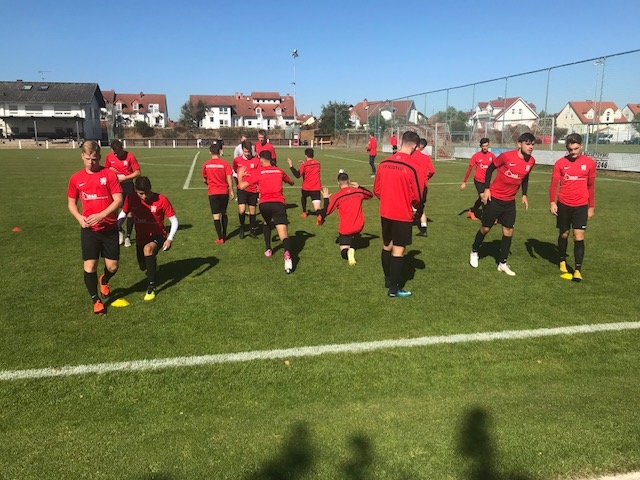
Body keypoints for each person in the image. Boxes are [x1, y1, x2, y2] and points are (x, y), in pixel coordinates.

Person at [67, 140, 123, 315]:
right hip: (89, 231)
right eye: (88, 159)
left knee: (112, 267)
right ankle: (96, 300)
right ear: (82, 156)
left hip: (109, 229)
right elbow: (71, 203)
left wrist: (101, 215)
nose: (91, 163)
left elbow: (118, 200)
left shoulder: (110, 175)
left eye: (95, 159)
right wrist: (79, 217)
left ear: (99, 157)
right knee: (90, 265)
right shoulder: (76, 178)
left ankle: (104, 279)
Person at [469, 132, 536, 276]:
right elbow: (490, 169)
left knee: (508, 231)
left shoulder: (531, 161)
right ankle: (474, 251)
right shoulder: (506, 156)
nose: (530, 147)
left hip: (509, 202)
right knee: (486, 228)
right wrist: (487, 189)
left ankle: (502, 263)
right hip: (495, 199)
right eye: (527, 144)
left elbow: (525, 177)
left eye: (532, 144)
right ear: (519, 144)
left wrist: (524, 194)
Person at [373, 131, 422, 297]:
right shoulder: (413, 166)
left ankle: (388, 279)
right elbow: (417, 196)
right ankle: (394, 289)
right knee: (399, 250)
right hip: (402, 213)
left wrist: (389, 199)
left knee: (387, 245)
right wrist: (415, 207)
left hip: (385, 211)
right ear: (414, 146)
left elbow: (377, 190)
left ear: (401, 142)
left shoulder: (384, 163)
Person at [118, 176, 178, 301]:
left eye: (147, 193)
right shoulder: (131, 198)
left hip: (158, 236)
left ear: (150, 188)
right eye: (141, 194)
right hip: (141, 237)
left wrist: (170, 238)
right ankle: (153, 264)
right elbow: (124, 213)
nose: (144, 196)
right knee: (143, 267)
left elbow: (174, 221)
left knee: (148, 249)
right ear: (135, 191)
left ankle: (151, 287)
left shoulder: (162, 199)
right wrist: (116, 225)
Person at [237, 150, 295, 274]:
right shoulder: (279, 171)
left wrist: (240, 175)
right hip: (279, 203)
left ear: (261, 159)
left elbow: (241, 186)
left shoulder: (258, 172)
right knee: (283, 234)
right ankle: (287, 256)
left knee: (266, 222)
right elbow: (291, 182)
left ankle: (268, 249)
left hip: (264, 205)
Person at [549, 133, 596, 282]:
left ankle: (577, 270)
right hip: (563, 204)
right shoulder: (560, 163)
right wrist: (552, 202)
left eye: (576, 149)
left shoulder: (589, 163)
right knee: (564, 234)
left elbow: (591, 187)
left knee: (578, 236)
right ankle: (562, 260)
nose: (573, 152)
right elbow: (554, 185)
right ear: (567, 148)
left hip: (581, 206)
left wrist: (591, 207)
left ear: (581, 146)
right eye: (570, 149)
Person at [320, 170, 373, 266]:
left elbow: (326, 211)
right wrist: (359, 187)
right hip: (359, 226)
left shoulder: (337, 196)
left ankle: (349, 251)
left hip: (347, 229)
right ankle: (354, 244)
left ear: (338, 183)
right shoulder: (358, 192)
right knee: (354, 235)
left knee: (343, 251)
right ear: (349, 181)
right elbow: (370, 195)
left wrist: (326, 198)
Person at [105, 139, 141, 247]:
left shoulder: (130, 157)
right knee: (113, 211)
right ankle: (120, 230)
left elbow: (138, 173)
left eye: (118, 152)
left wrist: (124, 178)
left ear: (122, 148)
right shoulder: (109, 157)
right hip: (114, 187)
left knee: (130, 212)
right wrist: (111, 172)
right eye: (114, 153)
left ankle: (128, 237)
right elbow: (105, 171)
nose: (116, 155)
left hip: (127, 186)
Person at [202, 142, 234, 244]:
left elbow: (204, 179)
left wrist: (209, 183)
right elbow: (229, 177)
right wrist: (231, 190)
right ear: (220, 152)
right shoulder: (225, 164)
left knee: (216, 216)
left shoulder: (206, 164)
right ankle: (224, 233)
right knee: (224, 212)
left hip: (213, 192)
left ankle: (220, 238)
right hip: (224, 192)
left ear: (210, 152)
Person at [460, 138, 495, 221]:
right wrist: (464, 182)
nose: (485, 147)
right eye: (483, 146)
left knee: (484, 198)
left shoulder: (492, 156)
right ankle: (487, 218)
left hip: (487, 182)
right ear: (481, 146)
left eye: (486, 146)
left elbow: (498, 166)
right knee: (484, 198)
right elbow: (469, 169)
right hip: (478, 181)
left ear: (488, 145)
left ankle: (472, 211)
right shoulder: (476, 156)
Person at [233, 139, 260, 239]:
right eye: (245, 151)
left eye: (249, 152)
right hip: (242, 189)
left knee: (252, 210)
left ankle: (252, 230)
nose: (247, 154)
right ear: (242, 150)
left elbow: (259, 174)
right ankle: (242, 228)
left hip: (253, 189)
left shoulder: (256, 161)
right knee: (242, 210)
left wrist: (259, 188)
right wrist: (240, 176)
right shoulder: (237, 160)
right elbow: (235, 170)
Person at [287, 148, 322, 224]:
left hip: (306, 187)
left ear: (305, 155)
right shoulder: (318, 163)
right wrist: (304, 163)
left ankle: (304, 212)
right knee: (316, 204)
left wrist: (291, 165)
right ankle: (319, 215)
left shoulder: (304, 165)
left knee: (303, 198)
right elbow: (311, 165)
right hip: (316, 187)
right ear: (313, 155)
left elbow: (297, 175)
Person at [411, 138, 436, 237]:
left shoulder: (411, 156)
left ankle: (404, 225)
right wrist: (426, 178)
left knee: (408, 205)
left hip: (412, 185)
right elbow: (432, 170)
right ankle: (424, 229)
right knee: (420, 207)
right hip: (424, 186)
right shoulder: (426, 157)